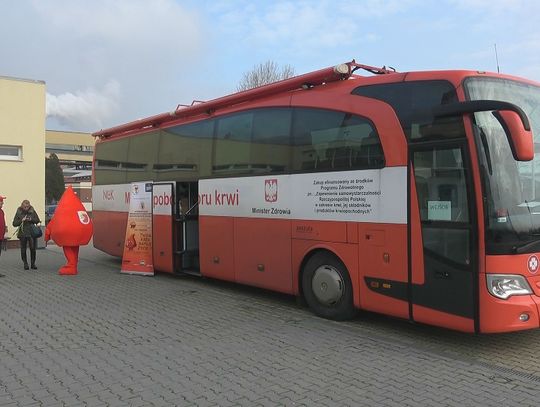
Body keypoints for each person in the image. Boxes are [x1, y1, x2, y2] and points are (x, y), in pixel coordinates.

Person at [12, 199, 40, 270]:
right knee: (23, 249)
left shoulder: (32, 211)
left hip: (31, 233)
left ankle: (33, 264)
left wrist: (31, 220)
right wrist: (21, 220)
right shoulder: (19, 212)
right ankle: (25, 264)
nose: (26, 208)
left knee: (33, 249)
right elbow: (14, 223)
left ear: (29, 205)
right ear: (22, 206)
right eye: (25, 207)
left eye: (27, 206)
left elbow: (37, 220)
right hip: (23, 233)